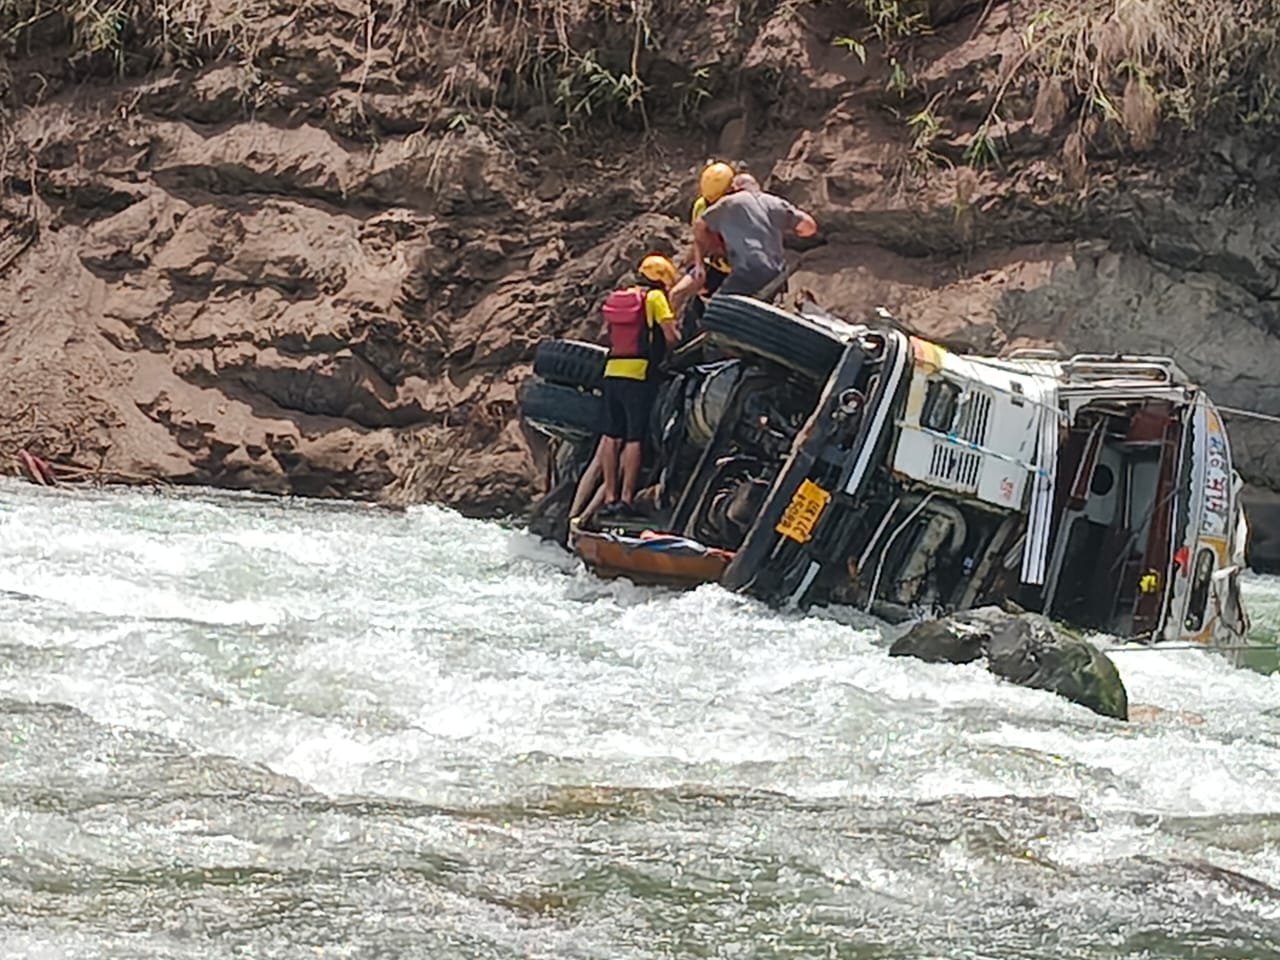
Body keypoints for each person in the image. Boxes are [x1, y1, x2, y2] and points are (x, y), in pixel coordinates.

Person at [591, 253, 680, 518]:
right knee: (633, 438)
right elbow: (671, 336)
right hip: (638, 376)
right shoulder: (655, 298)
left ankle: (609, 496)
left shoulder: (623, 296)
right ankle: (626, 498)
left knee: (610, 436)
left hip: (611, 372)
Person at [692, 172, 817, 301]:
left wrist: (703, 259)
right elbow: (809, 227)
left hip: (747, 271)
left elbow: (699, 225)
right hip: (776, 275)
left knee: (719, 309)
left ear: (735, 188)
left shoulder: (729, 202)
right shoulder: (774, 203)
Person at [668, 161, 735, 336]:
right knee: (677, 293)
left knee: (718, 307)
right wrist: (698, 264)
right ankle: (670, 339)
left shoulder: (739, 208)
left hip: (735, 269)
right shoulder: (701, 205)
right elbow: (698, 238)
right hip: (711, 264)